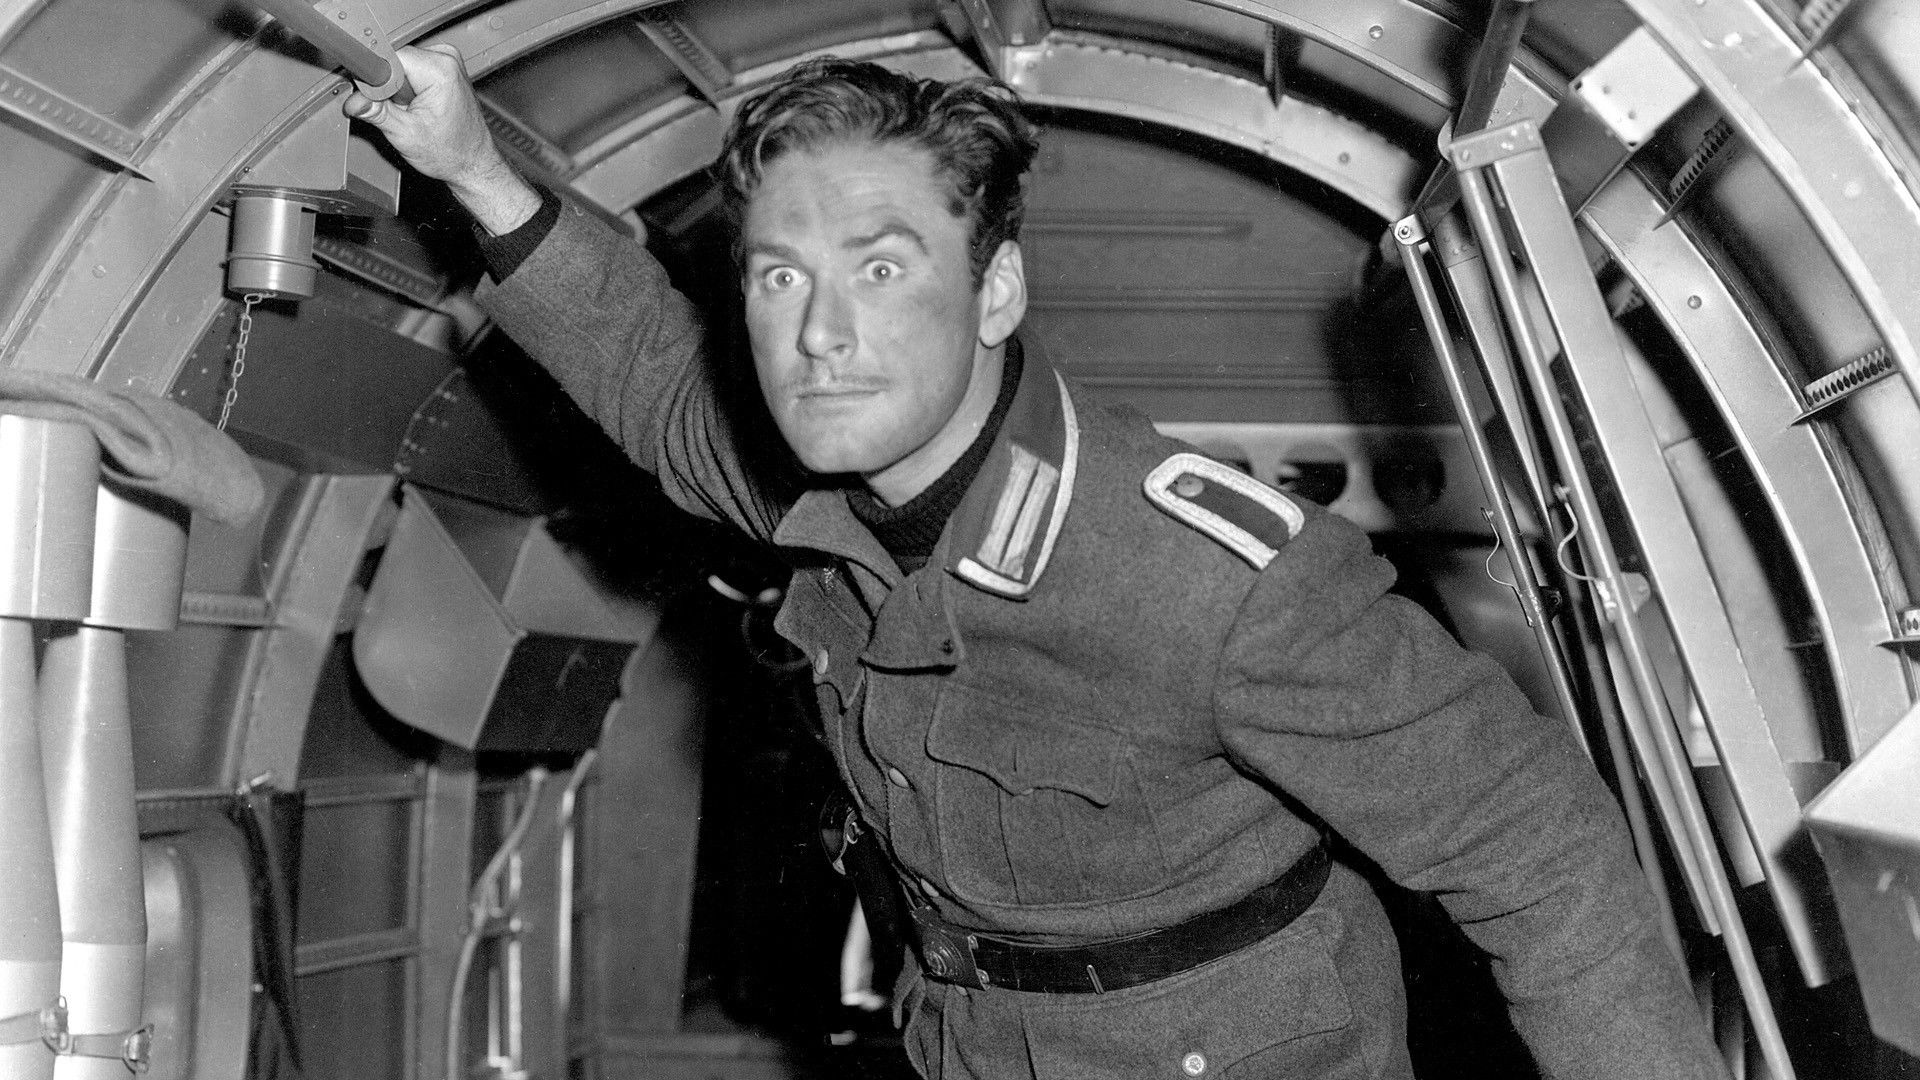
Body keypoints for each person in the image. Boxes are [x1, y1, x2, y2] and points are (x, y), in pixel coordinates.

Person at [346, 45, 1727, 1080]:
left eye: (881, 269)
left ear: (995, 289)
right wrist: (471, 166)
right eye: (779, 276)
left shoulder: (1213, 580)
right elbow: (647, 370)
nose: (820, 334)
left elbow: (1542, 852)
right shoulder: (799, 480)